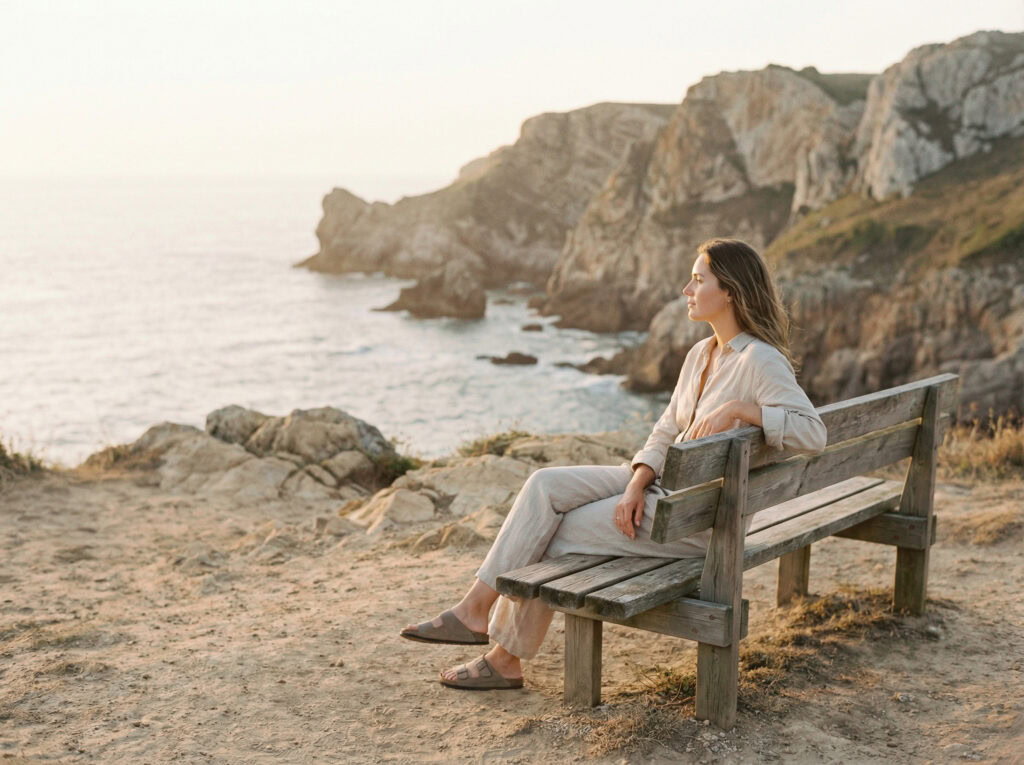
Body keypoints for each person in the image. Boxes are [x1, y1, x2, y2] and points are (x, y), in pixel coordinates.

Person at [400, 238, 828, 691]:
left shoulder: (761, 360)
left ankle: (503, 657)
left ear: (730, 292)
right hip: (662, 489)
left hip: (693, 522)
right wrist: (636, 484)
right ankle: (473, 609)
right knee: (544, 486)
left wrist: (742, 409)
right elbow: (666, 429)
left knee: (552, 533)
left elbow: (813, 433)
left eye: (699, 280)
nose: (686, 288)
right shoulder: (700, 354)